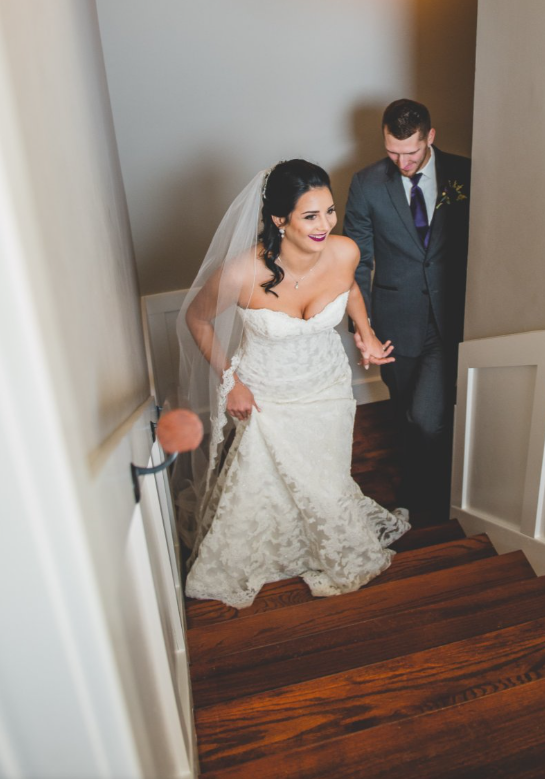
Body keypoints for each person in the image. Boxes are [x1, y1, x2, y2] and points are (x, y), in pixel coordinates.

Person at [176, 159, 410, 610]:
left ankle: (321, 541)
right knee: (263, 478)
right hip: (267, 394)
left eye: (329, 211)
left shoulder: (344, 252)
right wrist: (233, 381)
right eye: (310, 216)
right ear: (280, 219)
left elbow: (351, 291)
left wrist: (366, 334)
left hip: (327, 385)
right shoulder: (242, 273)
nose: (325, 225)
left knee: (325, 476)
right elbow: (197, 318)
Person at [344, 99, 471, 522]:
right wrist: (363, 329)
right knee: (404, 413)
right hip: (395, 319)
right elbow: (357, 261)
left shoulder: (466, 173)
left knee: (428, 417)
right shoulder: (366, 184)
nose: (402, 161)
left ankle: (428, 503)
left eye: (411, 152)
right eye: (393, 151)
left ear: (430, 137)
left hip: (452, 314)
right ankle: (419, 484)